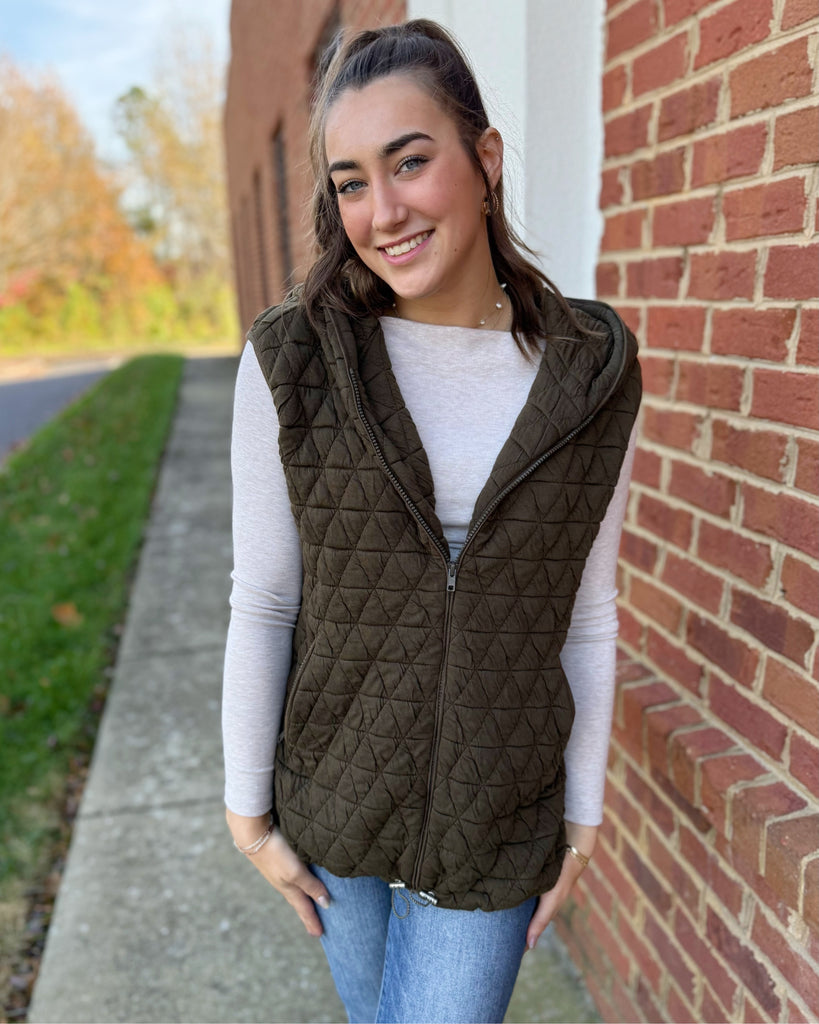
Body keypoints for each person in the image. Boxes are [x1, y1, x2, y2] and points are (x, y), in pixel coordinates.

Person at [222, 18, 641, 1024]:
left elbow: (586, 613)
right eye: (351, 182)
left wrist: (581, 814)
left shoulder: (590, 373)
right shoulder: (295, 360)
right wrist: (248, 813)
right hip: (334, 796)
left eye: (410, 162)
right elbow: (266, 599)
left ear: (484, 159)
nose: (383, 211)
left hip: (498, 818)